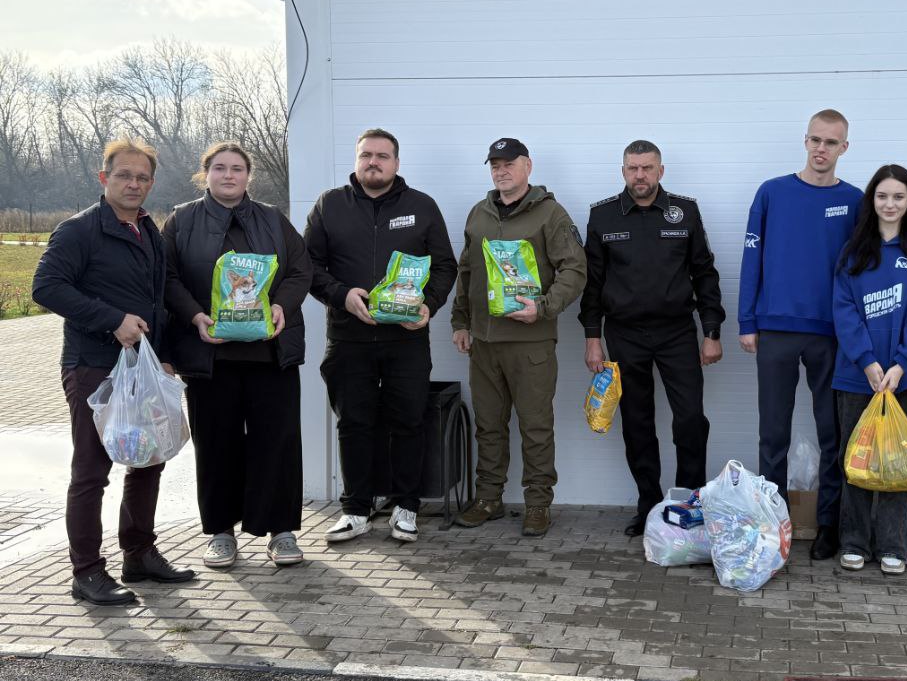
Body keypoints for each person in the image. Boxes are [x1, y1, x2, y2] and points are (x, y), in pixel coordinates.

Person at [32, 138, 195, 605]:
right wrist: (112, 320)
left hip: (144, 368)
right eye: (124, 175)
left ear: (151, 184)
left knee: (148, 459)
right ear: (104, 178)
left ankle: (139, 554)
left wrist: (165, 356)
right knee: (92, 471)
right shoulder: (78, 231)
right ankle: (86, 572)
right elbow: (46, 287)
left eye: (143, 177)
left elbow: (158, 301)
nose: (133, 184)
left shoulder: (149, 231)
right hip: (93, 367)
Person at [161, 142, 312, 569]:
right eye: (220, 168)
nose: (229, 175)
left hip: (271, 354)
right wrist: (194, 316)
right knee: (216, 445)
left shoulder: (272, 218)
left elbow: (301, 270)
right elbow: (166, 277)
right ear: (205, 173)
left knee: (277, 442)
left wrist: (282, 305)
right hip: (210, 357)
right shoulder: (181, 221)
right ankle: (221, 533)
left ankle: (281, 531)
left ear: (249, 176)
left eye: (238, 169)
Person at [305, 128, 458, 545]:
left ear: (396, 163)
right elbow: (308, 266)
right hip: (348, 338)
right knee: (354, 424)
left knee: (408, 421)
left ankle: (406, 508)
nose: (373, 162)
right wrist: (341, 295)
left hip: (406, 339)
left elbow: (445, 265)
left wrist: (429, 305)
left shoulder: (421, 206)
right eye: (366, 155)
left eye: (382, 156)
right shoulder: (330, 205)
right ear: (357, 160)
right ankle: (355, 510)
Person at [581, 140, 725, 536]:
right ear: (623, 171)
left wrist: (711, 331)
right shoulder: (603, 216)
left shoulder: (684, 211)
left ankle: (688, 503)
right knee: (637, 422)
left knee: (690, 420)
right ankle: (648, 504)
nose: (640, 175)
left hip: (677, 332)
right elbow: (592, 285)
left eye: (647, 168)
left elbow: (704, 273)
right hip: (624, 334)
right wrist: (592, 337)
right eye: (633, 168)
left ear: (661, 171)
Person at [738, 109, 862, 560]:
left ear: (844, 147)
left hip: (831, 335)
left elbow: (863, 269)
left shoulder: (855, 201)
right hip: (776, 329)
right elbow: (751, 259)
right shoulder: (772, 192)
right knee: (773, 435)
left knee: (833, 434)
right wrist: (747, 321)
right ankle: (776, 524)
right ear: (805, 141)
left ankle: (829, 524)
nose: (821, 149)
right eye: (815, 140)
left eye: (831, 142)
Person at [451, 138, 587, 536]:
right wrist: (460, 322)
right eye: (495, 164)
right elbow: (466, 272)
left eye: (509, 163)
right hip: (484, 343)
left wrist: (543, 306)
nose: (501, 171)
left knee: (535, 427)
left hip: (531, 344)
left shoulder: (550, 214)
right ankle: (488, 499)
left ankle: (538, 504)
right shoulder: (478, 214)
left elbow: (575, 269)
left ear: (528, 165)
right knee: (489, 426)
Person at [832, 165, 907, 575]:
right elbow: (843, 312)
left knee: (898, 462)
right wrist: (867, 361)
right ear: (871, 201)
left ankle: (893, 546)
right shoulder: (853, 254)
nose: (889, 204)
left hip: (905, 380)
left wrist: (900, 365)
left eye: (897, 196)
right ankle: (854, 542)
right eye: (882, 196)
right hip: (856, 377)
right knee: (855, 459)